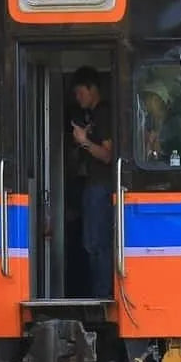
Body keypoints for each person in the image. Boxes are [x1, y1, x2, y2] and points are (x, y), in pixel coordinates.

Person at [71, 66, 113, 298]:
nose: (78, 99)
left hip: (101, 186)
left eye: (80, 93)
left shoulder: (104, 113)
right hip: (95, 185)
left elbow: (108, 154)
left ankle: (102, 294)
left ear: (91, 89)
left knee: (97, 243)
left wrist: (84, 141)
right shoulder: (94, 116)